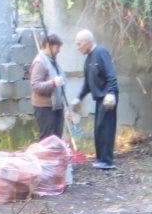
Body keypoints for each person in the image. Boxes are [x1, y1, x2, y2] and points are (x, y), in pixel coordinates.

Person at [72, 29, 118, 170]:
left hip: (107, 98)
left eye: (79, 44)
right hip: (98, 99)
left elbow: (111, 75)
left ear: (88, 42)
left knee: (105, 129)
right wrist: (79, 98)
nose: (77, 48)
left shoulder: (101, 53)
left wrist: (111, 93)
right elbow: (87, 83)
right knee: (99, 129)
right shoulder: (88, 59)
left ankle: (107, 161)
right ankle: (100, 159)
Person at [30, 33, 67, 141]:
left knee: (56, 139)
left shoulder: (52, 61)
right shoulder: (40, 62)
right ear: (48, 45)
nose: (59, 51)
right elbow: (36, 86)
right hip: (45, 108)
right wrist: (53, 83)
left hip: (57, 106)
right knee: (48, 139)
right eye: (57, 47)